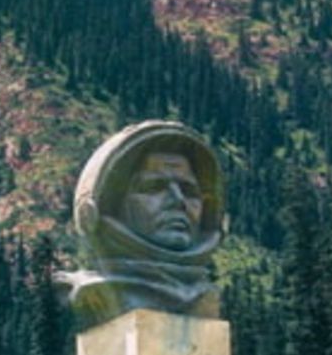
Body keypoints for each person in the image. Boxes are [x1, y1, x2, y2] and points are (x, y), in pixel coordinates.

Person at [57, 121, 224, 327]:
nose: (179, 200)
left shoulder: (205, 295)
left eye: (189, 191)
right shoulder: (91, 293)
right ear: (108, 204)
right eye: (154, 188)